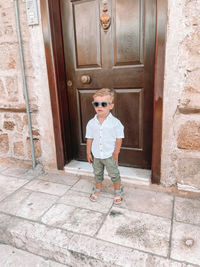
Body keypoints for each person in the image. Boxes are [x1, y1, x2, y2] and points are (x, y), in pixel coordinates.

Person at [85, 88, 124, 205]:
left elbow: (119, 139)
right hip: (96, 155)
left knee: (114, 173)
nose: (99, 106)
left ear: (111, 106)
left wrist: (115, 153)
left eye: (103, 104)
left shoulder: (116, 123)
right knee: (97, 173)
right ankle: (97, 189)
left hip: (109, 155)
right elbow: (89, 138)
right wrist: (88, 153)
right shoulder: (91, 123)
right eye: (96, 104)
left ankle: (117, 190)